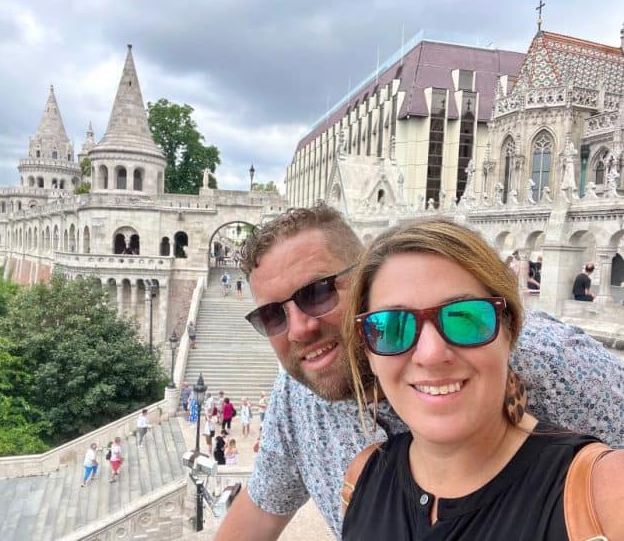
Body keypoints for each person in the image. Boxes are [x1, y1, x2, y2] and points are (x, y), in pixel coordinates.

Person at [215, 205, 624, 540]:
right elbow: (259, 510)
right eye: (272, 316)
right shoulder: (310, 411)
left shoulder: (550, 360)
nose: (300, 327)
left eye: (317, 293)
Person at [341, 218, 623, 539]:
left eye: (465, 318)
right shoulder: (361, 477)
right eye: (393, 327)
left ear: (509, 332)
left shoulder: (603, 493)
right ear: (369, 355)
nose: (431, 354)